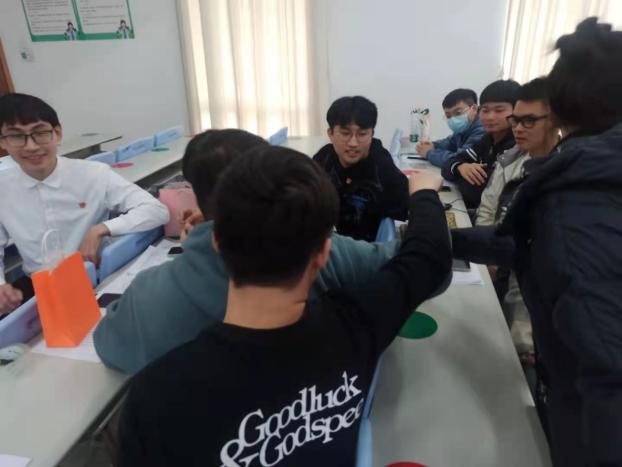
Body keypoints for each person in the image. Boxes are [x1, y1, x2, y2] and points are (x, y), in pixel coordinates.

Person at [116, 145, 452, 466]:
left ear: (215, 242)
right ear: (323, 254)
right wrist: (424, 193)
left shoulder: (156, 396)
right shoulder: (356, 326)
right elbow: (429, 257)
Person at [94, 129, 442, 374]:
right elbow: (425, 264)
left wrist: (201, 234)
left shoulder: (149, 296)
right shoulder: (343, 307)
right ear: (321, 251)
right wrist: (425, 197)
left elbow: (108, 344)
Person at [451, 18, 622, 467]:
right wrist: (443, 241)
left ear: (558, 112)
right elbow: (528, 244)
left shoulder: (575, 195)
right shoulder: (586, 178)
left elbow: (607, 372)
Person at [0, 93, 169, 316]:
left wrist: (101, 228)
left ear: (57, 134)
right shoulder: (3, 187)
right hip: (38, 287)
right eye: (16, 136)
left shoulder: (93, 174)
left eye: (40, 133)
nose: (31, 146)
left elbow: (156, 210)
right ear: (3, 141)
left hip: (95, 279)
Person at [313, 96, 409, 241]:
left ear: (372, 134)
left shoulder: (381, 165)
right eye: (345, 133)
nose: (353, 143)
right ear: (330, 134)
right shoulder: (324, 158)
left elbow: (404, 202)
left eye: (362, 134)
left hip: (362, 248)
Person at [441, 80, 519, 209]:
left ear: (517, 110)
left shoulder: (516, 144)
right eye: (485, 110)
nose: (490, 117)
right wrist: (460, 166)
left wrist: (459, 173)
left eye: (499, 110)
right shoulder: (487, 139)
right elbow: (449, 163)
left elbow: (480, 191)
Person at [416, 88, 485, 168]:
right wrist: (433, 145)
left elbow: (460, 159)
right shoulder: (464, 128)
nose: (453, 119)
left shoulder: (483, 128)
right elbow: (450, 143)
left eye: (458, 113)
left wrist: (429, 153)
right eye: (448, 115)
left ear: (474, 109)